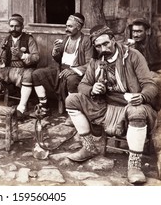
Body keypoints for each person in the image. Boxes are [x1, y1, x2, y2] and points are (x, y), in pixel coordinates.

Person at [65, 25, 158, 184]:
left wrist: (142, 96)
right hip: (105, 106)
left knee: (137, 111)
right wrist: (92, 89)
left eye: (106, 43)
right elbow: (82, 85)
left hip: (131, 106)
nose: (103, 48)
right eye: (99, 46)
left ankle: (134, 165)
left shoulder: (133, 56)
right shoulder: (96, 60)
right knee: (72, 100)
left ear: (114, 40)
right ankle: (89, 147)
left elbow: (151, 85)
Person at [32, 13, 92, 115]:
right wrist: (55, 51)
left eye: (70, 26)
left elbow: (90, 63)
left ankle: (73, 113)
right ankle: (45, 107)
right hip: (61, 70)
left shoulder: (86, 41)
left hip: (76, 72)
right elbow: (59, 59)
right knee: (37, 74)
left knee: (71, 80)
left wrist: (73, 70)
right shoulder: (66, 39)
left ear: (78, 27)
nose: (66, 29)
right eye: (66, 26)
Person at [0, 14, 39, 117]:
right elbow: (2, 56)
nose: (13, 29)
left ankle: (21, 107)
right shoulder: (6, 39)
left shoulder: (28, 39)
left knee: (28, 76)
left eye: (16, 26)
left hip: (24, 68)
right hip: (8, 68)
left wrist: (21, 55)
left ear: (22, 27)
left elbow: (36, 57)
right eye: (11, 26)